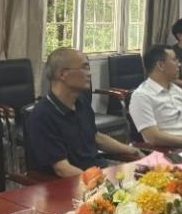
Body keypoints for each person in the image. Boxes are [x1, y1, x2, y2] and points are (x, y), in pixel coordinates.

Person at [28, 48, 144, 178]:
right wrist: (105, 182)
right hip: (73, 182)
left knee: (148, 175)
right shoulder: (42, 115)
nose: (89, 73)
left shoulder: (81, 103)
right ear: (63, 74)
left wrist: (133, 150)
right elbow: (63, 169)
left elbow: (96, 137)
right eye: (85, 68)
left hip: (98, 169)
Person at [129, 45, 182, 147]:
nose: (179, 64)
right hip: (170, 150)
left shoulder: (177, 90)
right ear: (161, 65)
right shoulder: (142, 96)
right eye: (175, 60)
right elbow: (154, 138)